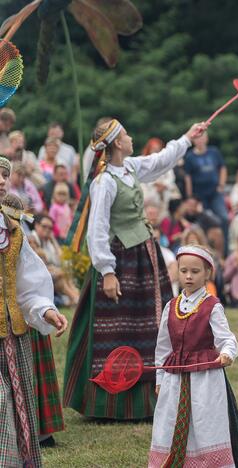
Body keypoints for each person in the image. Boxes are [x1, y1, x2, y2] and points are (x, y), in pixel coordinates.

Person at [63, 118, 208, 420]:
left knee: (150, 326)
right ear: (117, 143)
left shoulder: (129, 168)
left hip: (144, 256)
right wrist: (107, 272)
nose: (131, 139)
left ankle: (151, 399)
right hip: (120, 260)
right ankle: (109, 404)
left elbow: (160, 161)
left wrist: (187, 137)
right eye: (126, 135)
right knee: (118, 328)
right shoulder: (104, 182)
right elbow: (97, 229)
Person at [149, 245, 238, 467]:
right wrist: (159, 379)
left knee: (205, 424)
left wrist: (227, 353)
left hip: (204, 381)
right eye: (183, 270)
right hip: (174, 380)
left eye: (195, 271)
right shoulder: (171, 306)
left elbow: (227, 339)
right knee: (170, 421)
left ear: (207, 273)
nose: (188, 276)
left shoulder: (212, 306)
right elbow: (163, 347)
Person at [0, 156, 69, 465]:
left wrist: (45, 310)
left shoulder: (12, 228)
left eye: (4, 175)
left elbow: (27, 285)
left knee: (16, 404)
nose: (2, 180)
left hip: (11, 334)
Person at [183, 131, 228, 245]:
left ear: (207, 139)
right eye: (197, 138)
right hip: (199, 195)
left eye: (202, 137)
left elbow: (222, 168)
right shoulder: (189, 156)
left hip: (215, 193)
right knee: (202, 222)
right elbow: (187, 177)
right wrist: (190, 197)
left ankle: (225, 248)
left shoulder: (214, 152)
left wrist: (221, 185)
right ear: (193, 141)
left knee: (223, 218)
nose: (200, 140)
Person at [29, 213, 80, 307]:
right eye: (44, 226)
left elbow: (61, 259)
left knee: (64, 271)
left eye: (50, 228)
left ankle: (76, 297)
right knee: (60, 274)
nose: (47, 230)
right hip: (34, 276)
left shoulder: (47, 241)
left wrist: (53, 239)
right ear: (36, 225)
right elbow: (39, 264)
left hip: (46, 274)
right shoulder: (31, 240)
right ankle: (75, 298)